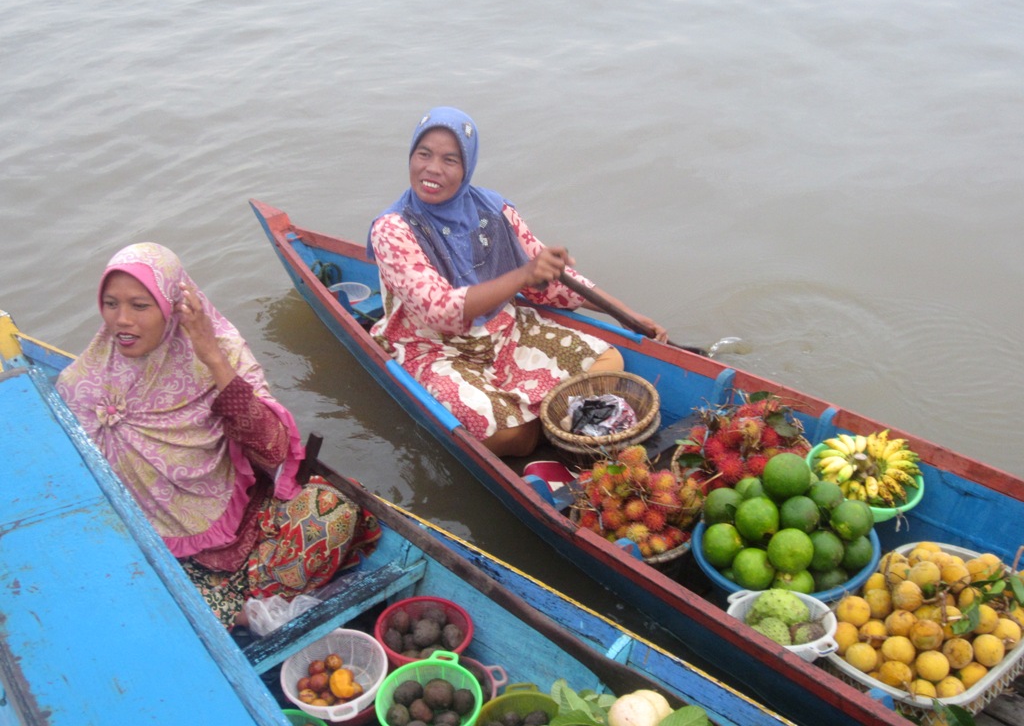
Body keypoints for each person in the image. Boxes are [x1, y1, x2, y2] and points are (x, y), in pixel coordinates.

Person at [57, 242, 379, 628]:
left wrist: (211, 356)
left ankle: (238, 609)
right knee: (126, 595)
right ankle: (242, 611)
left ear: (172, 304)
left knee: (333, 506)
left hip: (249, 519)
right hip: (173, 554)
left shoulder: (218, 350)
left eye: (139, 306)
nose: (122, 320)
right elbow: (82, 496)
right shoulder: (81, 384)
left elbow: (274, 449)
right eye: (111, 304)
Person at [367, 106, 667, 458]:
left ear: (466, 168)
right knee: (515, 438)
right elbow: (440, 313)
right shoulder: (392, 229)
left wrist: (624, 313)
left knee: (610, 363)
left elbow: (553, 280)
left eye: (450, 160)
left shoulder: (494, 210)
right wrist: (523, 275)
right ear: (411, 156)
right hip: (433, 349)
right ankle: (553, 422)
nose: (433, 169)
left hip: (503, 332)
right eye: (424, 154)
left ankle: (547, 417)